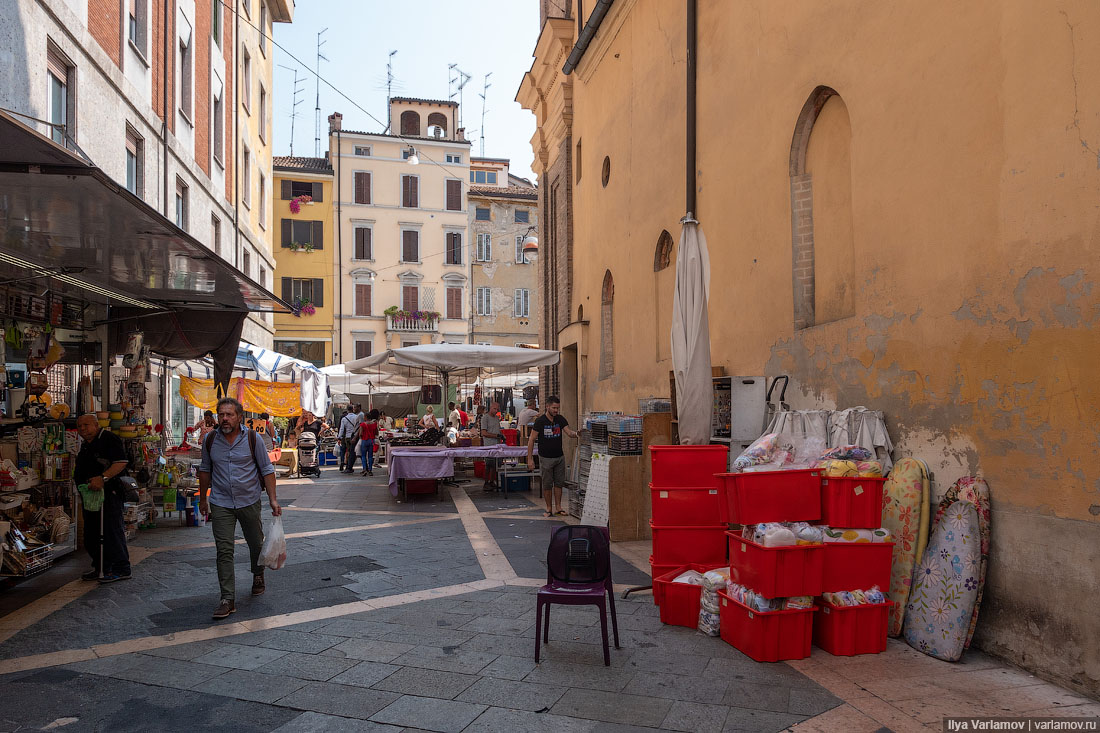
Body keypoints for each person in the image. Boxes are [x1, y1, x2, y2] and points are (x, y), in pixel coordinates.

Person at [198, 397, 280, 620]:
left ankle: (258, 573)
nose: (224, 418)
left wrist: (273, 500)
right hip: (221, 501)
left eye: (229, 414)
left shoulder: (254, 439)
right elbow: (205, 469)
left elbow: (266, 470)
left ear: (239, 417)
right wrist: (203, 499)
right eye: (221, 414)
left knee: (256, 543)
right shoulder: (210, 440)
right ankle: (227, 598)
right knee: (224, 550)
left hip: (249, 500)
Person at [73, 414, 131, 582]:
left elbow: (121, 462)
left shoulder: (109, 438)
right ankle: (101, 567)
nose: (82, 428)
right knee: (92, 533)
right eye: (79, 426)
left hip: (109, 493)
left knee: (111, 531)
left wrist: (103, 478)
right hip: (90, 495)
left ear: (96, 425)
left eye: (86, 425)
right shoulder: (86, 445)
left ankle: (122, 568)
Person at [527, 395, 579, 516]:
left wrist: (577, 433)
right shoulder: (540, 422)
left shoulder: (560, 419)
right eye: (554, 408)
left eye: (557, 408)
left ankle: (559, 507)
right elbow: (531, 440)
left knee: (559, 483)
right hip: (545, 458)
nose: (556, 410)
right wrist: (530, 459)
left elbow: (569, 433)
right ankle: (549, 508)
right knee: (547, 484)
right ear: (547, 406)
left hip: (559, 457)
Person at [480, 401, 503, 490]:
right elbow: (484, 433)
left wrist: (501, 435)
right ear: (490, 408)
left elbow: (497, 429)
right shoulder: (485, 418)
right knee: (488, 464)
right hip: (489, 444)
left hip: (497, 444)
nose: (496, 410)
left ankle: (492, 481)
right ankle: (486, 483)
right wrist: (495, 436)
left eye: (497, 409)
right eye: (494, 408)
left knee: (495, 464)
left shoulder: (497, 418)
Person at [336, 405, 361, 473]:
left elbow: (341, 429)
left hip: (347, 437)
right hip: (355, 436)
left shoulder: (344, 419)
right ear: (353, 409)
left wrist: (339, 437)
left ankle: (348, 466)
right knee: (353, 452)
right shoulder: (356, 417)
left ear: (347, 410)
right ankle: (349, 465)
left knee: (348, 451)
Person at [359, 409, 379, 476]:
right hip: (371, 441)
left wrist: (361, 437)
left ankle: (364, 469)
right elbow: (376, 433)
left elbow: (360, 434)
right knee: (370, 456)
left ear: (366, 417)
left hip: (364, 440)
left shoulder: (362, 424)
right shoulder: (374, 424)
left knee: (364, 456)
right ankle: (370, 470)